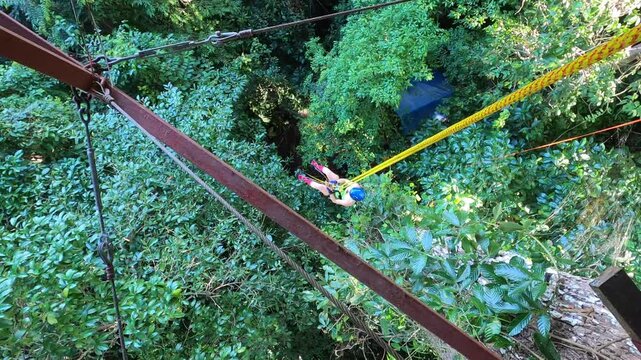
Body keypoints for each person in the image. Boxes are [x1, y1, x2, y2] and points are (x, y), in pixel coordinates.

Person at [297, 160, 366, 207]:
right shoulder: (355, 186)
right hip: (338, 184)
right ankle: (316, 166)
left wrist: (331, 191)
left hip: (334, 194)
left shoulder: (348, 202)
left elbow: (335, 200)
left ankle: (304, 179)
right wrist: (336, 182)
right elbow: (345, 181)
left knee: (320, 187)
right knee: (333, 175)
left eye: (349, 192)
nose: (349, 190)